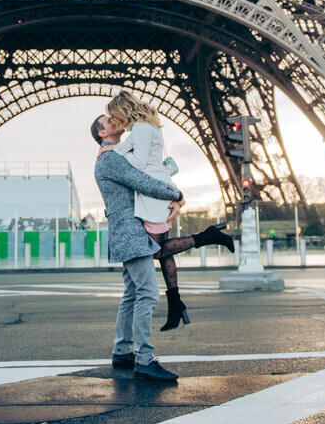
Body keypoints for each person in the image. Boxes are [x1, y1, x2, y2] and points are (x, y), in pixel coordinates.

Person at [92, 113, 235, 381]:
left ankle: (122, 351)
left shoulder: (115, 154)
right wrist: (178, 195)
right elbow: (143, 182)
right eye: (109, 121)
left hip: (130, 231)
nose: (115, 120)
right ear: (102, 133)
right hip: (131, 233)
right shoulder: (110, 159)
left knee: (133, 293)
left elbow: (146, 172)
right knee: (147, 293)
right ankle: (144, 359)